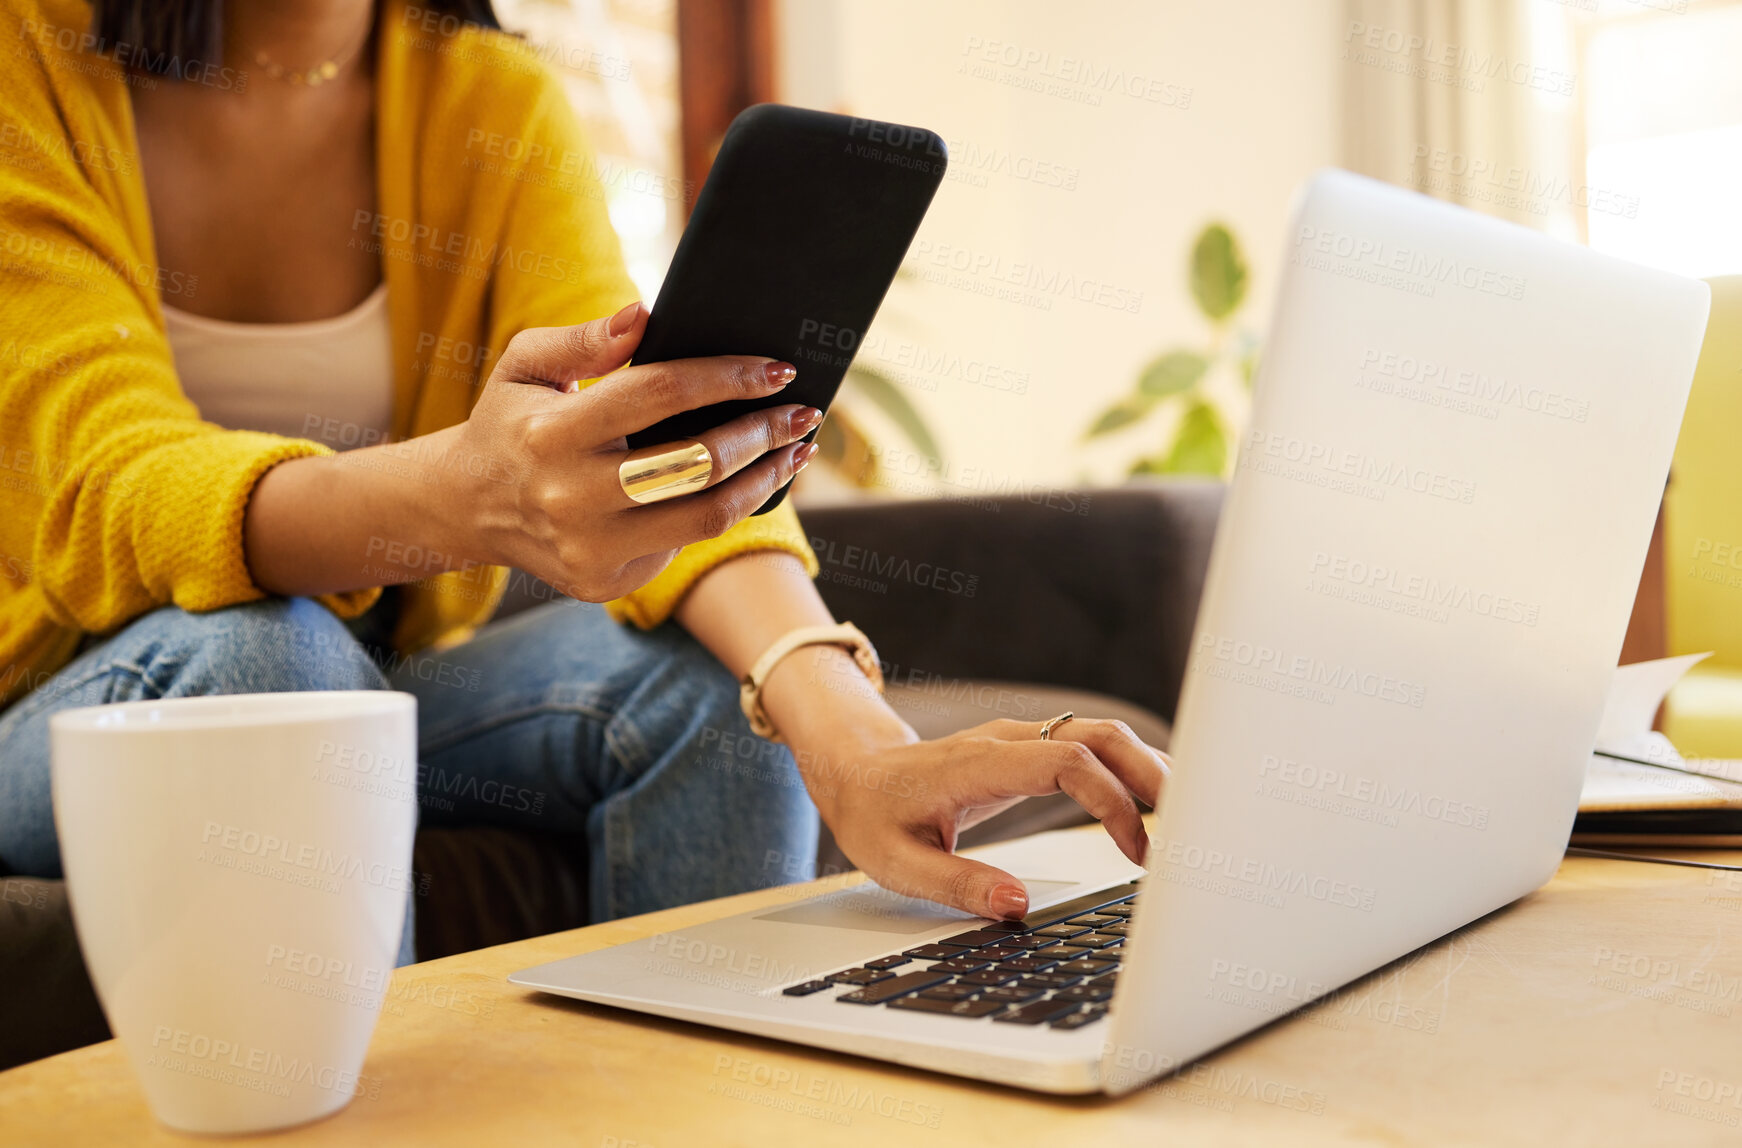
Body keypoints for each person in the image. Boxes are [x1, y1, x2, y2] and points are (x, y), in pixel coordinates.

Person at [0, 0, 1167, 959]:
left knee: (713, 701)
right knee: (278, 666)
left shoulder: (489, 102)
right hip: (55, 704)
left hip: (375, 681)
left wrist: (846, 728)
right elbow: (103, 483)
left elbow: (643, 449)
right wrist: (463, 494)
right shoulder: (26, 60)